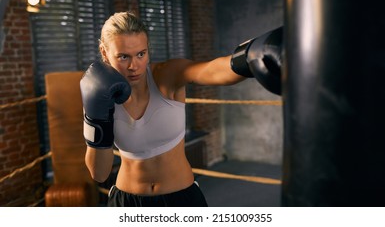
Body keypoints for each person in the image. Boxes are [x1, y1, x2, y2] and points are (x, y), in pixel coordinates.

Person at [80, 11, 282, 207]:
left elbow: (211, 70)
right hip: (127, 202)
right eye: (123, 57)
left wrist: (250, 55)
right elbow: (99, 173)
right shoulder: (99, 94)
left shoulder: (167, 75)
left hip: (180, 199)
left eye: (141, 54)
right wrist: (97, 115)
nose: (134, 66)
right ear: (104, 52)